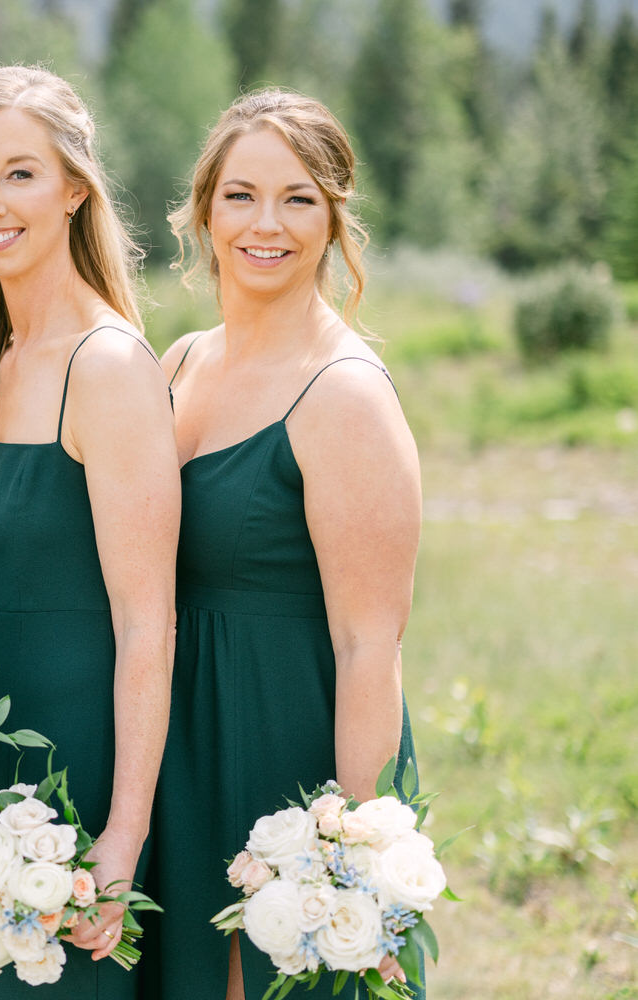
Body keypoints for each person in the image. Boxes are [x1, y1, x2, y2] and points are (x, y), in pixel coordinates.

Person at [139, 88, 423, 999]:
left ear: (336, 219)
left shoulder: (344, 394)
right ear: (202, 211)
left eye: (299, 198)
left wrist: (348, 852)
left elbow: (370, 642)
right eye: (241, 196)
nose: (268, 223)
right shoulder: (180, 360)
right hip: (176, 739)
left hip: (285, 745)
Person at [0, 65, 180, 996]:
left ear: (76, 188)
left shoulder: (108, 365)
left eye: (20, 174)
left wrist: (121, 834)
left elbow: (145, 622)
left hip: (76, 773)